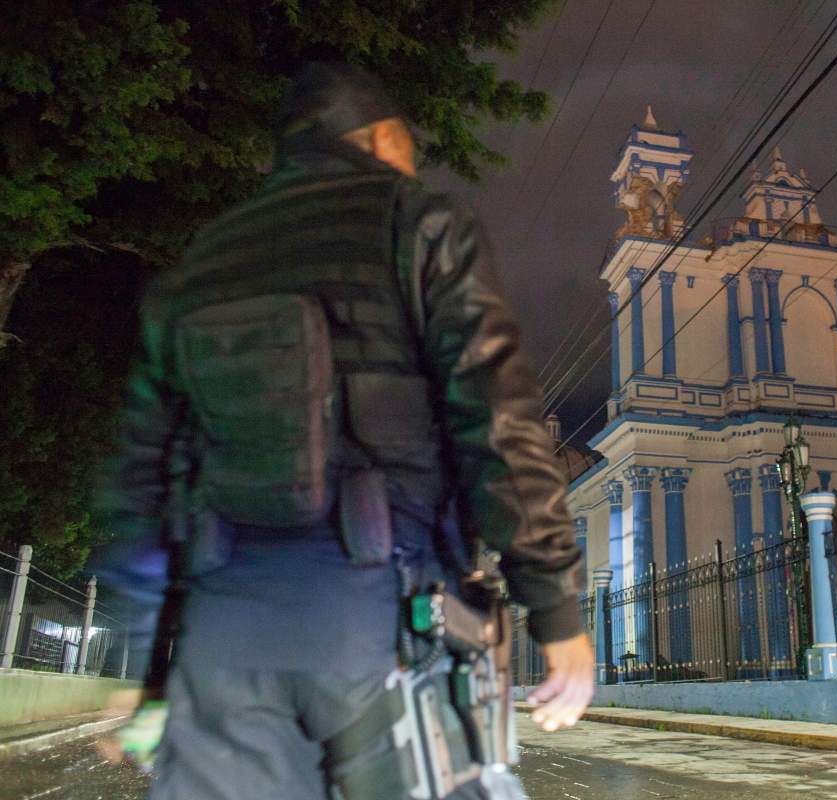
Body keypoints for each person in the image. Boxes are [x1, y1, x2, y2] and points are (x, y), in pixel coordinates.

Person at [88, 61, 594, 800]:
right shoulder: (421, 223)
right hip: (381, 621)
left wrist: (145, 666)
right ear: (384, 139)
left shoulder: (199, 264)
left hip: (221, 638)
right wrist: (555, 609)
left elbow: (136, 479)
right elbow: (499, 423)